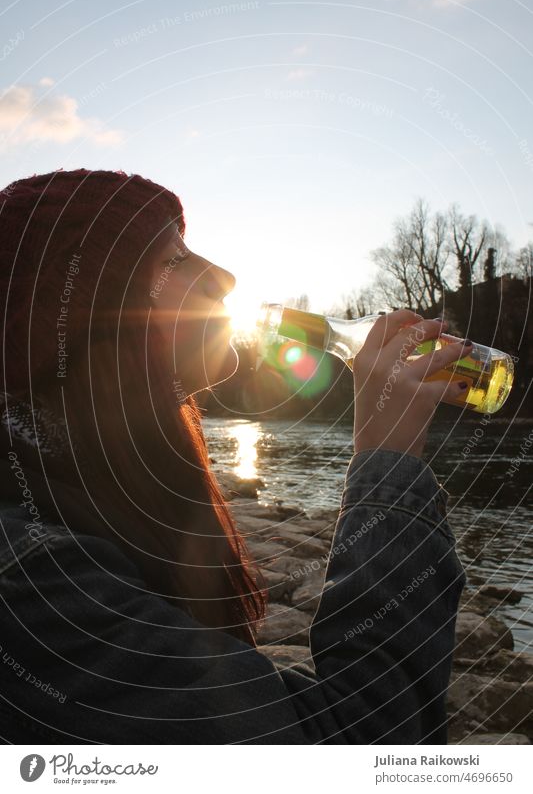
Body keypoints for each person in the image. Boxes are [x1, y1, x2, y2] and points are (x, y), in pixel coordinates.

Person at [0, 169, 471, 745]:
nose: (222, 276)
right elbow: (368, 745)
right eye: (171, 259)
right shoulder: (33, 584)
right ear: (77, 312)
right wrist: (388, 458)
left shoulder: (83, 490)